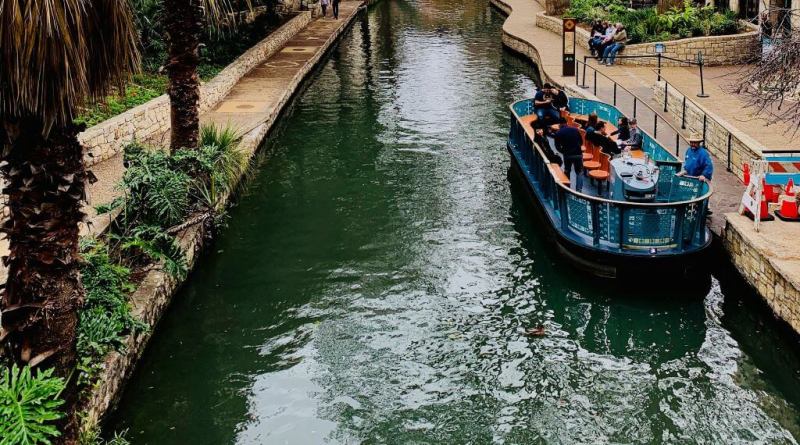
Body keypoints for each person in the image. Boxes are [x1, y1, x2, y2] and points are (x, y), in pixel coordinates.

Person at [553, 118, 584, 191]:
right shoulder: (575, 130)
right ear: (566, 123)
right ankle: (579, 190)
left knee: (567, 171)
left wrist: (563, 151)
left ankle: (567, 189)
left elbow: (557, 147)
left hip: (567, 155)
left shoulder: (558, 133)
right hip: (578, 154)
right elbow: (581, 142)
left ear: (559, 124)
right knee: (579, 172)